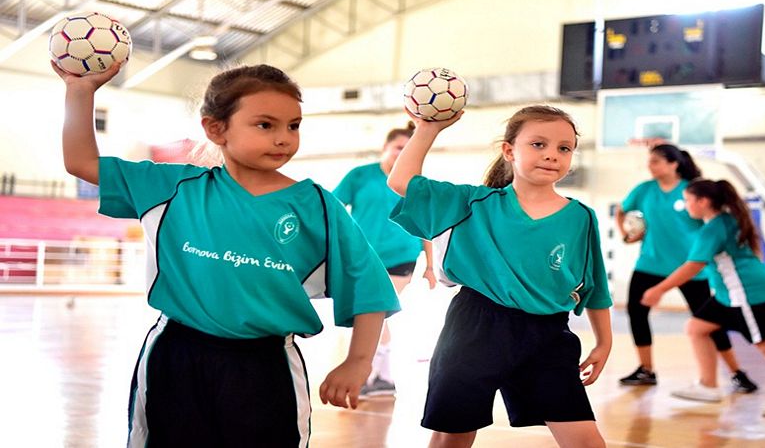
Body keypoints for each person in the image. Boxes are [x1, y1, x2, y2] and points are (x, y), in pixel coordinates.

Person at [51, 60, 401, 447]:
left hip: (267, 366)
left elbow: (367, 284)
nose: (284, 138)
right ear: (216, 128)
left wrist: (358, 361)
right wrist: (80, 91)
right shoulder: (173, 187)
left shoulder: (317, 206)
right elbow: (81, 162)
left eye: (294, 125)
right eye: (265, 125)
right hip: (175, 356)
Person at [387, 105, 613, 448]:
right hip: (476, 329)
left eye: (564, 148)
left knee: (586, 440)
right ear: (509, 150)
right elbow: (401, 181)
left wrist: (605, 341)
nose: (552, 155)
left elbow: (595, 286)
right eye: (538, 144)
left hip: (549, 336)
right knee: (452, 436)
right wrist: (427, 129)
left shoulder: (581, 217)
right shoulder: (473, 202)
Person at [641, 179, 765, 417]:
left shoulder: (714, 228)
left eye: (688, 199)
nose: (685, 204)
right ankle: (708, 386)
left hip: (747, 293)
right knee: (697, 328)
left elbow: (692, 266)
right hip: (727, 295)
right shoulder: (723, 220)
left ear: (704, 202)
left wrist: (659, 289)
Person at [616, 143, 757, 393]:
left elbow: (713, 220)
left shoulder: (691, 191)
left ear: (674, 164)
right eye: (649, 162)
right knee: (637, 315)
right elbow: (621, 210)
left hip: (691, 267)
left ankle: (737, 372)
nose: (650, 166)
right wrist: (629, 234)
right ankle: (646, 370)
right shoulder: (644, 190)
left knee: (709, 322)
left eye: (656, 161)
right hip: (650, 263)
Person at [333, 122, 437, 398]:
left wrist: (430, 265)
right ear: (385, 148)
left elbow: (425, 225)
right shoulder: (360, 176)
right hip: (363, 256)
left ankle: (380, 376)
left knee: (373, 311)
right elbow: (334, 208)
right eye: (398, 148)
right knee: (370, 312)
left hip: (401, 256)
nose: (401, 154)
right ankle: (382, 377)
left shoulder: (412, 182)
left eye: (407, 150)